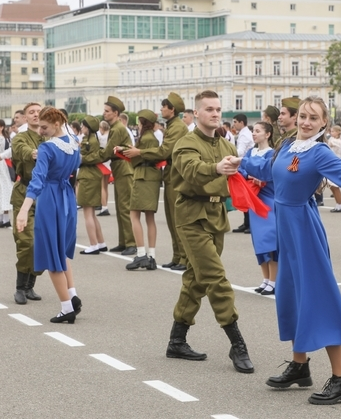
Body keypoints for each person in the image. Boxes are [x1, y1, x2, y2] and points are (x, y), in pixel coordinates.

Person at [239, 96, 341, 405]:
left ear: (324, 123)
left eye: (314, 117)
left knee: (318, 298)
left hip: (304, 229)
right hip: (287, 230)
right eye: (303, 116)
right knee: (291, 295)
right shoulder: (286, 147)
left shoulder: (319, 152)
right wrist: (240, 161)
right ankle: (300, 366)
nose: (306, 121)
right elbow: (268, 169)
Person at [165, 90, 254, 375]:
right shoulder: (185, 143)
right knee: (216, 278)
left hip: (216, 216)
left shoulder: (227, 145)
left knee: (196, 279)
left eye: (218, 109)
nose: (215, 113)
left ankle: (177, 340)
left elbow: (238, 176)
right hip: (192, 217)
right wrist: (216, 168)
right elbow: (191, 170)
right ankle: (236, 342)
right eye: (209, 109)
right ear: (197, 113)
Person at [15, 107, 82, 324]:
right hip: (67, 197)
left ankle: (66, 308)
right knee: (62, 251)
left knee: (52, 255)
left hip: (50, 198)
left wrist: (24, 210)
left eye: (44, 127)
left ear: (56, 124)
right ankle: (72, 296)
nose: (41, 131)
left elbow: (37, 180)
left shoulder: (47, 148)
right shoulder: (73, 144)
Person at [10, 102, 45, 305]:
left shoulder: (50, 137)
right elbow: (21, 150)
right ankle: (20, 287)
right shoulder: (20, 138)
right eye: (31, 112)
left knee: (41, 242)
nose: (35, 115)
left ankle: (31, 285)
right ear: (24, 117)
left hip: (45, 195)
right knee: (26, 240)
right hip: (24, 192)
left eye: (39, 112)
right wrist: (34, 153)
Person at [238, 122, 278, 295]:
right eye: (253, 131)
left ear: (268, 134)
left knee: (271, 240)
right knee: (259, 242)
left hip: (268, 199)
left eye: (258, 131)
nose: (254, 134)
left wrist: (259, 176)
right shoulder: (250, 152)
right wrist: (250, 175)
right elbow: (241, 169)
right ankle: (265, 279)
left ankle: (274, 281)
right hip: (254, 199)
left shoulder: (272, 153)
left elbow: (272, 174)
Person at [124, 110, 163, 270]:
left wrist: (130, 152)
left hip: (143, 176)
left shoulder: (146, 138)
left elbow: (140, 157)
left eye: (139, 122)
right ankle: (151, 256)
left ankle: (141, 254)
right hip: (152, 177)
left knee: (134, 215)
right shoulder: (152, 137)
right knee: (149, 218)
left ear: (142, 123)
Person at [98, 96, 137, 256]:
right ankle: (124, 242)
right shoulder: (116, 127)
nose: (104, 113)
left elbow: (107, 152)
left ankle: (131, 243)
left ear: (115, 113)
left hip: (124, 169)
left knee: (126, 208)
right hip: (120, 168)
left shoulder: (118, 128)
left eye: (107, 111)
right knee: (121, 208)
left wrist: (88, 158)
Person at [77, 116, 108, 254]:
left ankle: (93, 244)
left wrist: (80, 157)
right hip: (92, 175)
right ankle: (100, 242)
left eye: (83, 126)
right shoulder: (92, 139)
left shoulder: (89, 141)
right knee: (92, 214)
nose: (81, 128)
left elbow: (93, 157)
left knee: (87, 213)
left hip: (88, 176)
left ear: (88, 127)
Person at [232, 114, 253, 233]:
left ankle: (249, 224)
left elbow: (240, 152)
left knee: (247, 196)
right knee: (245, 196)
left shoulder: (245, 134)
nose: (233, 124)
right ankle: (246, 223)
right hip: (244, 166)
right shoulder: (243, 133)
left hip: (245, 167)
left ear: (241, 122)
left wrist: (228, 149)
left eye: (235, 121)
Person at [327, 125, 341, 212]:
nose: (331, 133)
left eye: (333, 131)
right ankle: (337, 204)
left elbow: (331, 144)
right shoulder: (331, 138)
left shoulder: (338, 141)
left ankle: (340, 205)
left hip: (336, 163)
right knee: (331, 185)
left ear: (338, 132)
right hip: (330, 163)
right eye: (331, 131)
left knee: (335, 186)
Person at [96, 120, 111, 217]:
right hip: (108, 162)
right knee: (105, 186)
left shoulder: (101, 137)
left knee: (101, 186)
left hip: (102, 162)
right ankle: (105, 205)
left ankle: (104, 206)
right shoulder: (109, 136)